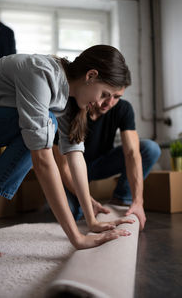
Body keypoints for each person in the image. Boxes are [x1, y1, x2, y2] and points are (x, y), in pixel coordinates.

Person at [0, 45, 135, 261]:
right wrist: (77, 237)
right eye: (104, 95)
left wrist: (91, 220)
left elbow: (75, 157)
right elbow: (43, 160)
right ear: (91, 75)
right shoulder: (41, 72)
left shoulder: (66, 99)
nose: (102, 104)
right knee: (41, 129)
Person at [53, 81, 161, 232]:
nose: (109, 103)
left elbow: (132, 154)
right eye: (105, 95)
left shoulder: (123, 108)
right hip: (71, 169)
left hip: (100, 164)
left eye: (116, 97)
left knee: (150, 148)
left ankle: (121, 200)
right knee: (71, 215)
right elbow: (63, 167)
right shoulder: (68, 107)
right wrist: (89, 202)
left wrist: (138, 201)